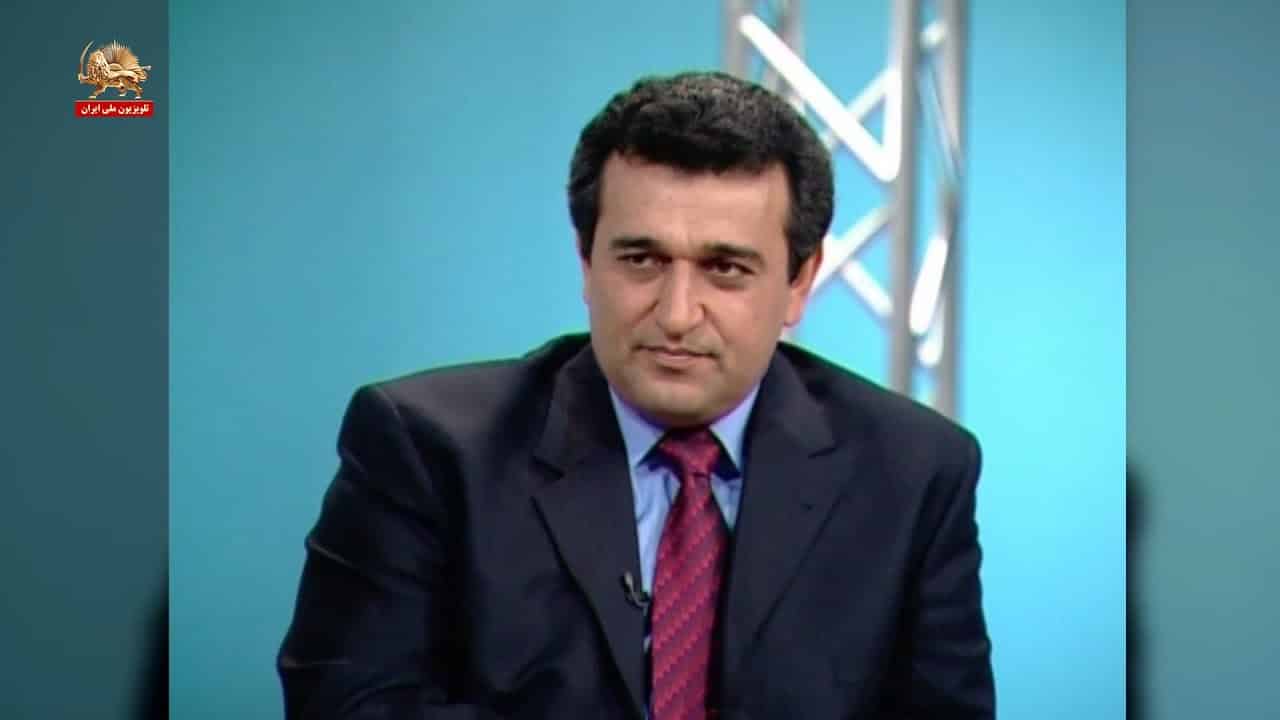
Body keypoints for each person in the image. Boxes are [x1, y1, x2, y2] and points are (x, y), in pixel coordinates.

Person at [277, 70, 994, 719]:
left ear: (800, 281)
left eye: (725, 269)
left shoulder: (912, 473)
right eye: (642, 259)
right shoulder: (428, 451)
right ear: (586, 260)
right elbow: (347, 707)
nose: (677, 314)